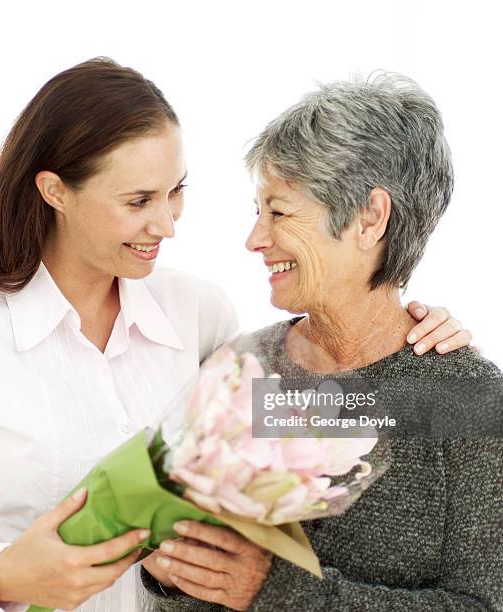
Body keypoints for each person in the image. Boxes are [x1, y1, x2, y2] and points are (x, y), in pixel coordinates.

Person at [0, 59, 472, 612]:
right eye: (139, 201)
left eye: (176, 191)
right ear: (55, 191)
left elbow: (315, 419)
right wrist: (2, 575)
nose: (167, 223)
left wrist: (415, 346)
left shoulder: (197, 314)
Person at [140, 74, 503, 611]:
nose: (255, 239)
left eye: (280, 212)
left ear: (369, 218)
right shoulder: (246, 369)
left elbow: (481, 605)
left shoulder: (464, 401)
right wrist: (170, 567)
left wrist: (278, 592)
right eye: (257, 211)